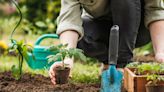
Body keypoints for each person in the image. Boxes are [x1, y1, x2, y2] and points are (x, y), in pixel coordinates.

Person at [49, 0, 164, 85]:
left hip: (137, 29)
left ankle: (122, 65)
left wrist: (161, 53)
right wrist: (67, 60)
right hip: (101, 27)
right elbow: (69, 22)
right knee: (79, 37)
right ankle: (110, 63)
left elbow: (155, 10)